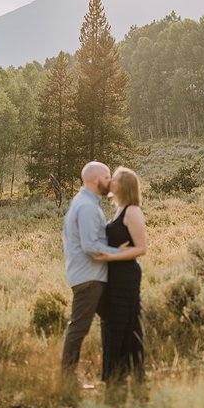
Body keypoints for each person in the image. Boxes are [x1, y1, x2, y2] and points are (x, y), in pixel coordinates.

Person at [60, 161, 125, 381]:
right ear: (96, 179)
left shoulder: (85, 203)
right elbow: (90, 246)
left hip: (91, 275)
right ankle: (67, 378)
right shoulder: (87, 206)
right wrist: (118, 252)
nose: (110, 181)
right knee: (79, 327)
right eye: (107, 177)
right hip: (89, 277)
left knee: (111, 321)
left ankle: (111, 372)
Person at [94, 166, 147, 384]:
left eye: (113, 179)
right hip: (114, 275)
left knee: (124, 323)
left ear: (123, 185)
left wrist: (112, 257)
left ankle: (124, 374)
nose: (109, 182)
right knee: (115, 322)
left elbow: (141, 248)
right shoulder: (119, 209)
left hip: (126, 276)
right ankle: (117, 375)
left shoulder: (132, 211)